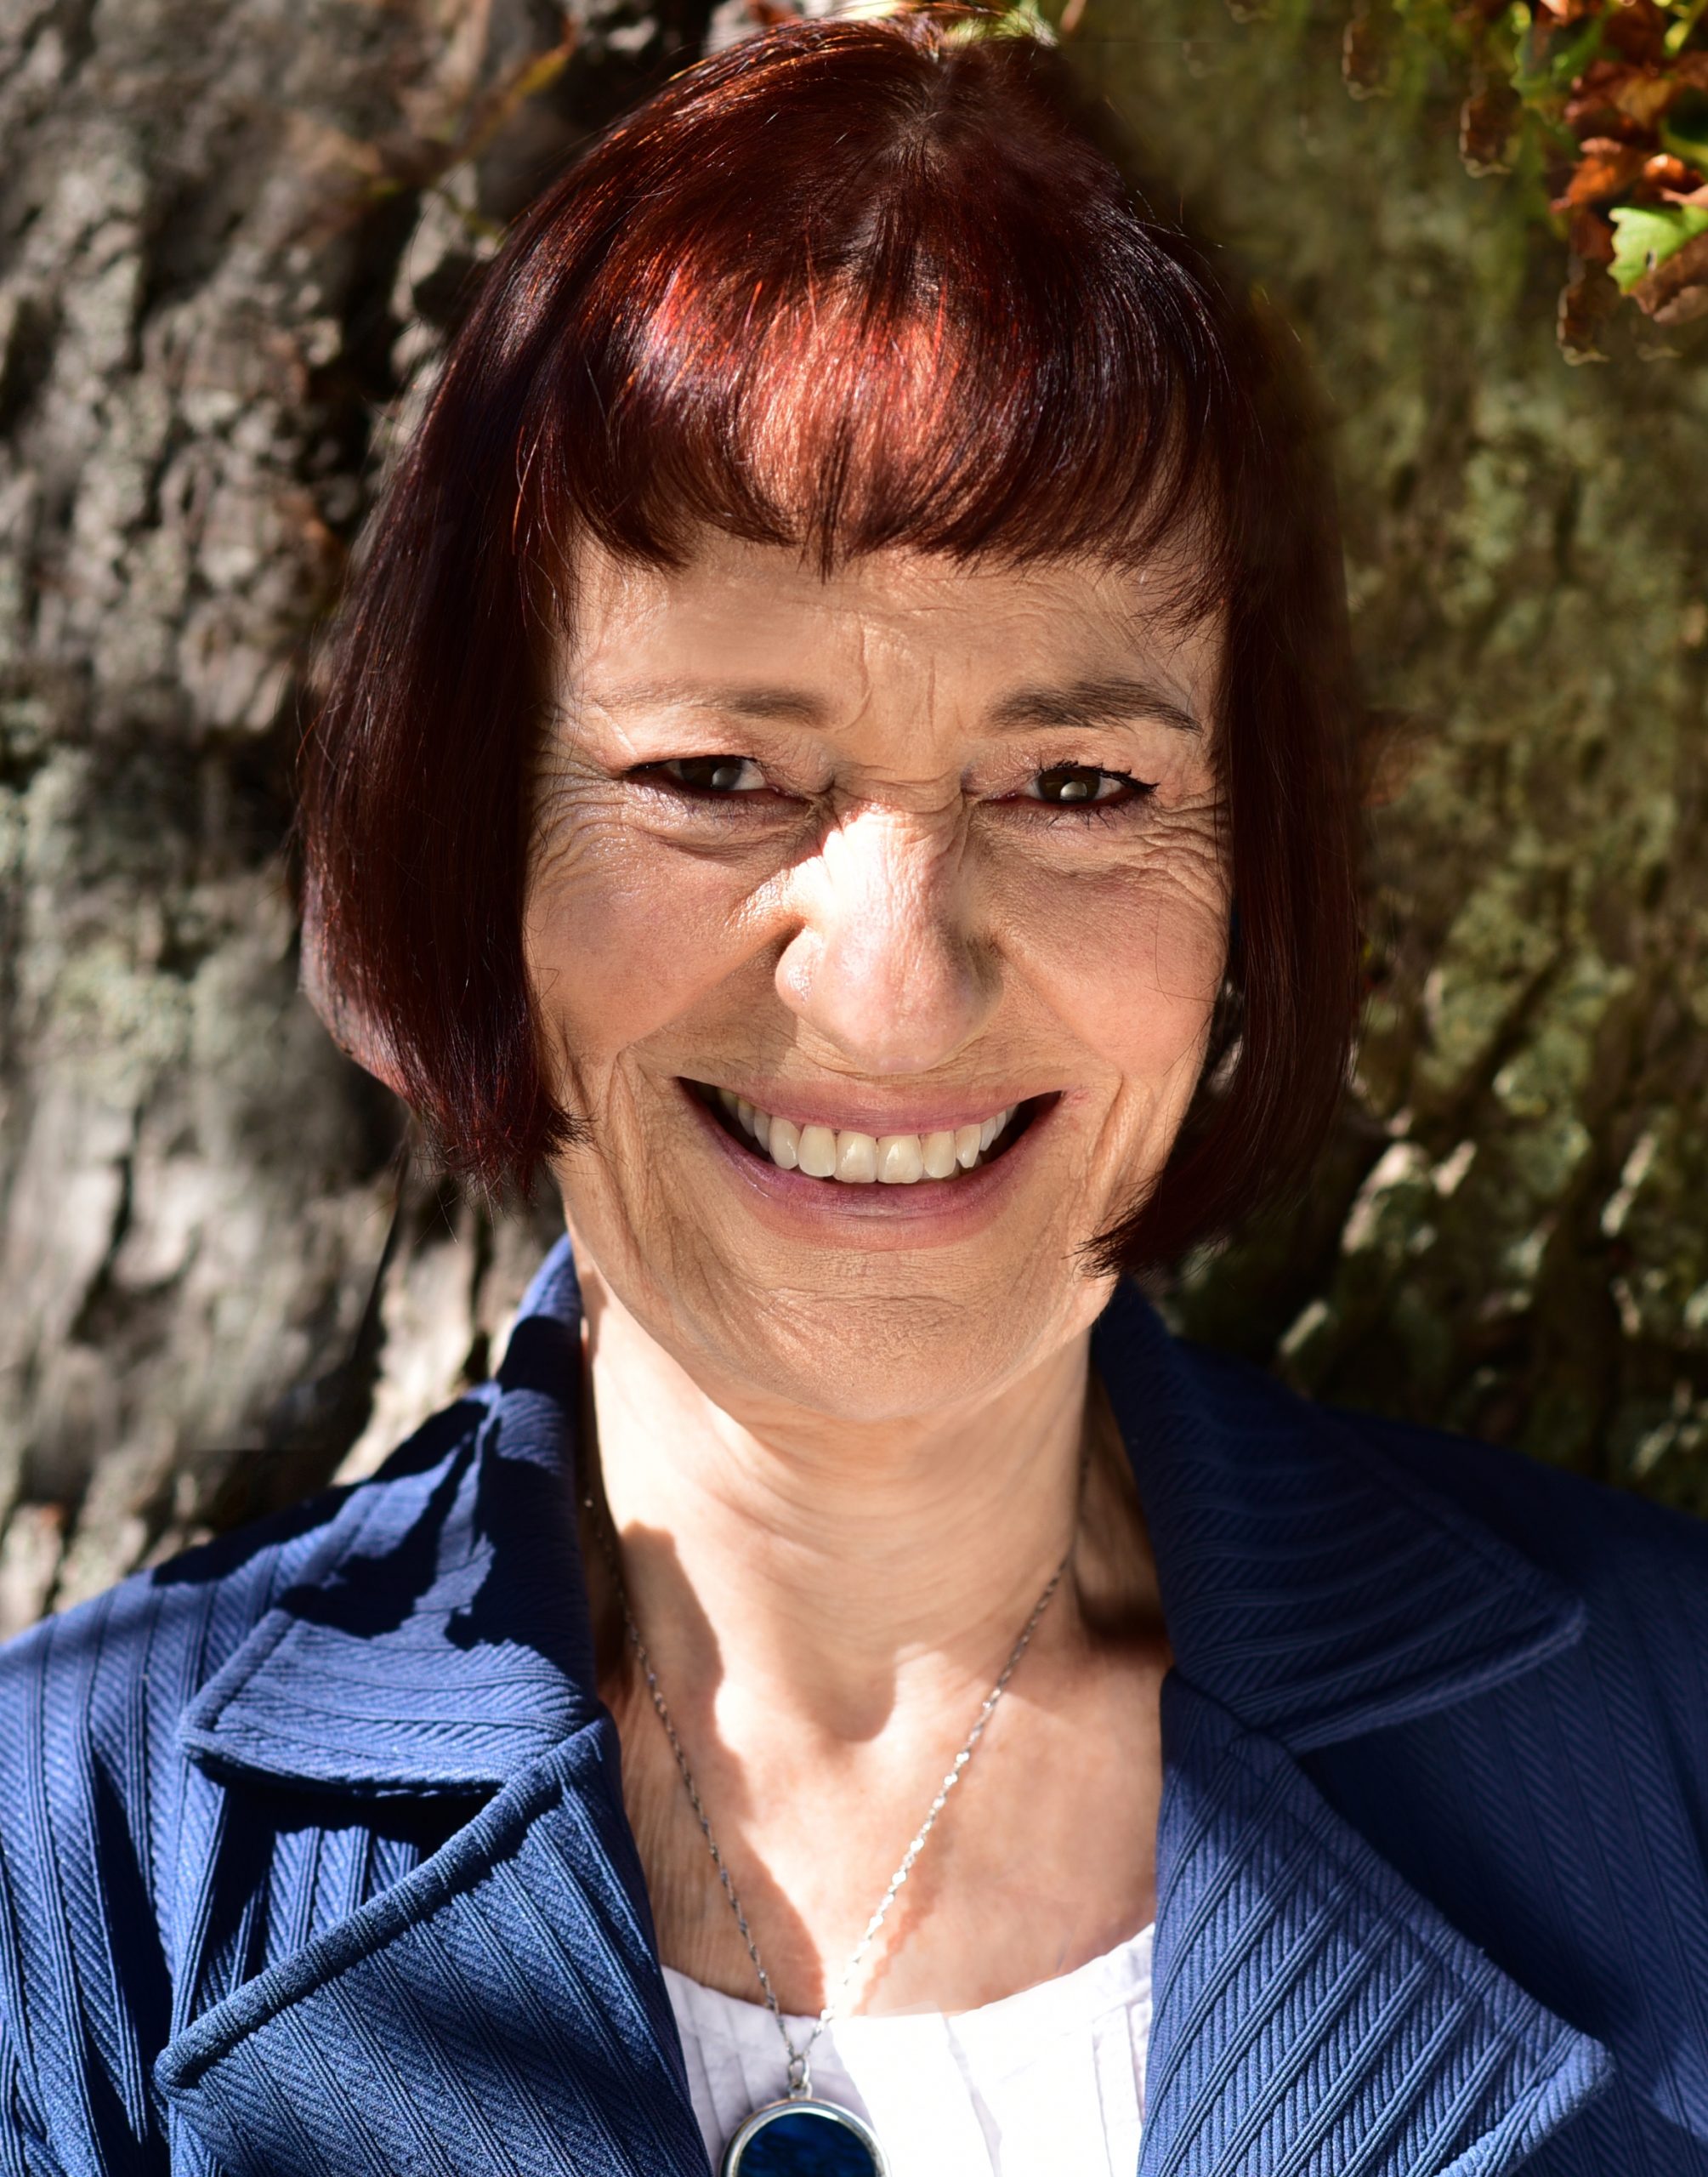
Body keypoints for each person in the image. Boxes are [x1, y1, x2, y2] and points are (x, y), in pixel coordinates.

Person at [2, 8, 1705, 2174]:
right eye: (719, 777)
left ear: (1252, 879)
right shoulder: (62, 1877)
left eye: (1076, 784)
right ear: (473, 839)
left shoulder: (1672, 1756)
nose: (896, 989)